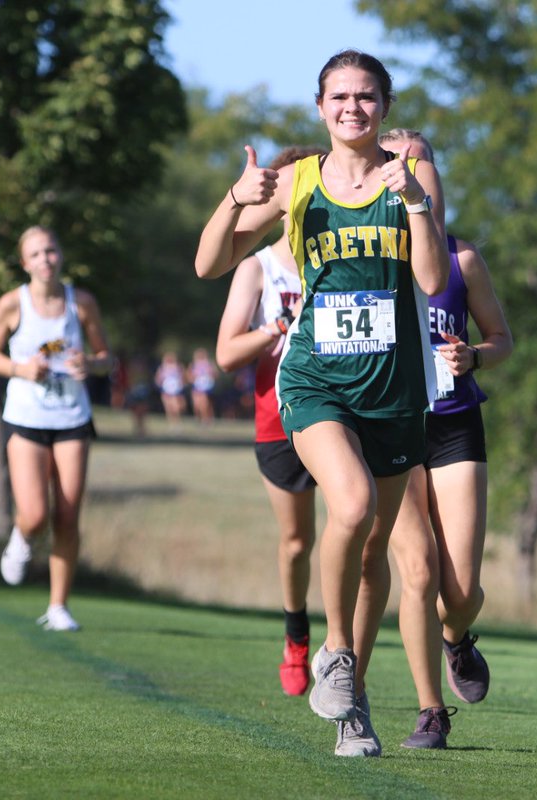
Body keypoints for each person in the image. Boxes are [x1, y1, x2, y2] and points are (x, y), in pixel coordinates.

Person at [195, 50, 448, 757]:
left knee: (373, 558)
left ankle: (352, 710)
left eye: (366, 97)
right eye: (339, 96)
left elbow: (430, 279)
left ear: (385, 106)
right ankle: (334, 653)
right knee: (353, 506)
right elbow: (209, 262)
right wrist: (237, 197)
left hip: (394, 389)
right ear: (320, 107)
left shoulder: (414, 174)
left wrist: (417, 201)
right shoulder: (298, 181)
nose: (352, 108)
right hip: (314, 379)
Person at [380, 128, 514, 749]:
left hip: (455, 421)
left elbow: (502, 339)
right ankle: (430, 711)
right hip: (391, 421)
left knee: (458, 591)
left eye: (419, 163)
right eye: (395, 162)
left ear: (435, 178)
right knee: (418, 569)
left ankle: (456, 638)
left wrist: (475, 358)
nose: (408, 171)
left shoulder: (461, 260)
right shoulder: (365, 259)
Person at [214, 144, 326, 697]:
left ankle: (345, 650)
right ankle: (296, 632)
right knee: (298, 541)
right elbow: (226, 353)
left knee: (360, 527)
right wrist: (278, 327)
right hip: (276, 418)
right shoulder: (258, 267)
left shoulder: (341, 261)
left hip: (345, 409)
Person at [0, 226, 111, 632]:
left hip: (71, 418)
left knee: (68, 515)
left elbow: (106, 356)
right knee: (34, 515)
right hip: (26, 418)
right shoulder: (11, 304)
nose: (45, 260)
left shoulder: (81, 303)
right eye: (35, 254)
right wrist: (20, 368)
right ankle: (20, 539)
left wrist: (92, 364)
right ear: (25, 263)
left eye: (50, 251)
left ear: (60, 255)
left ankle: (58, 606)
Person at [187, 347, 218, 424]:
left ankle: (206, 419)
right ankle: (199, 418)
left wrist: (209, 378)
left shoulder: (209, 364)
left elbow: (215, 374)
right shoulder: (193, 365)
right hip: (196, 386)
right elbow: (189, 376)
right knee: (196, 404)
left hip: (206, 387)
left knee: (205, 403)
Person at [155, 351, 186, 423]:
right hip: (166, 389)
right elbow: (158, 378)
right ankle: (171, 421)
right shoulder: (163, 368)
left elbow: (183, 378)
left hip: (175, 389)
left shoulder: (178, 367)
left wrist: (181, 385)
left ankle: (177, 419)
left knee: (176, 406)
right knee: (168, 406)